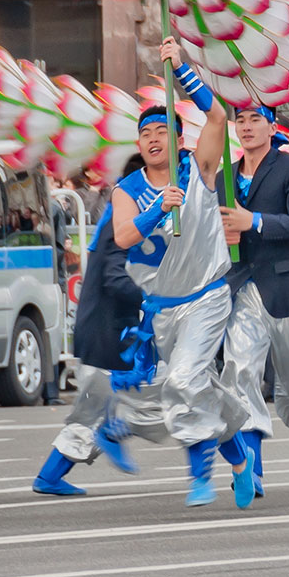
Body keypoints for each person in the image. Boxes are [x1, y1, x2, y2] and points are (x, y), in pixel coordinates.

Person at [61, 44, 233, 504]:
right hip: (159, 308)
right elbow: (121, 237)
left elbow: (217, 119)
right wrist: (159, 208)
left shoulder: (199, 171)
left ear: (179, 139)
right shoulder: (127, 190)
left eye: (163, 130)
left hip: (206, 297)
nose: (154, 138)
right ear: (138, 145)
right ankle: (236, 447)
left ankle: (200, 474)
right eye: (146, 133)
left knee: (183, 382)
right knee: (174, 389)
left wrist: (180, 69)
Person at [214, 91, 289, 498]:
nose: (245, 127)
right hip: (244, 286)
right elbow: (216, 224)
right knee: (239, 372)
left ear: (271, 125)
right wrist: (222, 233)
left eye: (253, 119)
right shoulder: (224, 174)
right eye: (240, 120)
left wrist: (255, 221)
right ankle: (252, 468)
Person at [40, 170, 168, 493]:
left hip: (110, 329)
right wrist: (149, 297)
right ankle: (113, 431)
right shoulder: (119, 227)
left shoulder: (127, 223)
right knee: (141, 396)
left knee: (92, 409)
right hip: (108, 331)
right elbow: (115, 276)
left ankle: (50, 475)